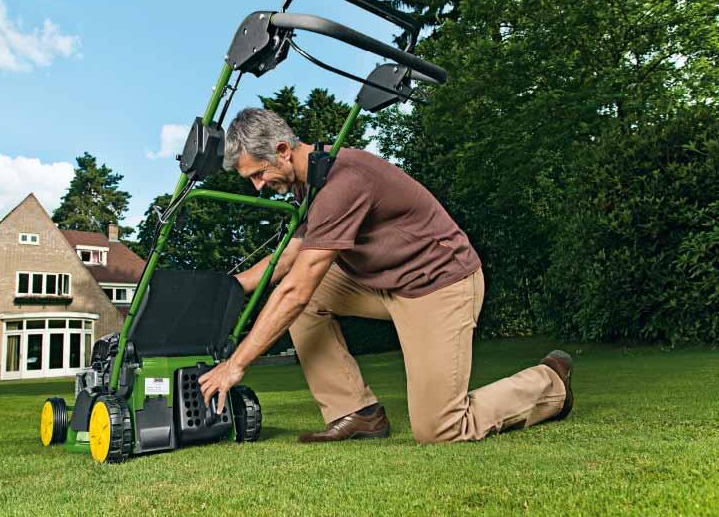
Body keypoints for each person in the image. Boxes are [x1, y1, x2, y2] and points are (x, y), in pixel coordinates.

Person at [199, 108, 573, 443]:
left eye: (259, 174)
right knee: (307, 300)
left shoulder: (342, 181)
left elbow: (296, 287)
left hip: (438, 284)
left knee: (440, 428)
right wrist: (227, 286)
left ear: (282, 150)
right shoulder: (307, 183)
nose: (258, 186)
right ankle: (357, 413)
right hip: (382, 284)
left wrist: (235, 365)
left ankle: (550, 381)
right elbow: (290, 258)